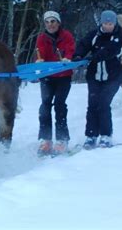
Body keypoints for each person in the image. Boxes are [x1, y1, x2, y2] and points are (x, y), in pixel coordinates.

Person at [73, 10, 122, 150]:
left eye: (111, 24)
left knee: (103, 104)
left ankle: (106, 135)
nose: (108, 26)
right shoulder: (94, 35)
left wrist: (94, 57)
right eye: (106, 23)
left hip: (112, 77)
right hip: (94, 77)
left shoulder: (118, 35)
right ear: (101, 23)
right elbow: (83, 44)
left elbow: (111, 50)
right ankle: (91, 135)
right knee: (92, 105)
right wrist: (78, 55)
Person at [35, 10, 75, 156]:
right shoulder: (42, 38)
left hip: (63, 77)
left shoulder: (67, 36)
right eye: (47, 22)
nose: (50, 25)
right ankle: (46, 139)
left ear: (58, 22)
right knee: (45, 106)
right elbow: (40, 53)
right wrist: (39, 62)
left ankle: (62, 139)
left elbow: (71, 49)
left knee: (59, 104)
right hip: (48, 77)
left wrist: (68, 59)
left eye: (53, 21)